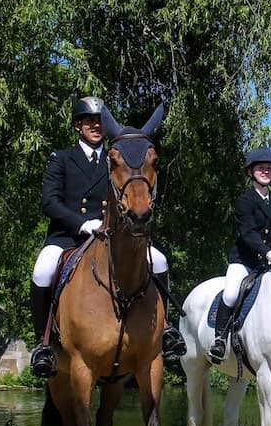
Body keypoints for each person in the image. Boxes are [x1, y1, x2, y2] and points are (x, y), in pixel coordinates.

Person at [28, 96, 186, 378]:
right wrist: (81, 224)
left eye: (99, 122)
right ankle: (43, 344)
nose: (95, 126)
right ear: (78, 125)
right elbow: (49, 203)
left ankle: (165, 330)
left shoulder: (116, 159)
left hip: (110, 238)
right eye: (89, 121)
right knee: (43, 269)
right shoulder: (62, 159)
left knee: (159, 261)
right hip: (69, 236)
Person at [207, 147, 271, 364]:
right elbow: (248, 233)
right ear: (251, 172)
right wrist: (267, 252)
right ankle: (220, 340)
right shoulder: (245, 201)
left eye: (269, 168)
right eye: (261, 168)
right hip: (245, 260)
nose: (265, 171)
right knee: (232, 294)